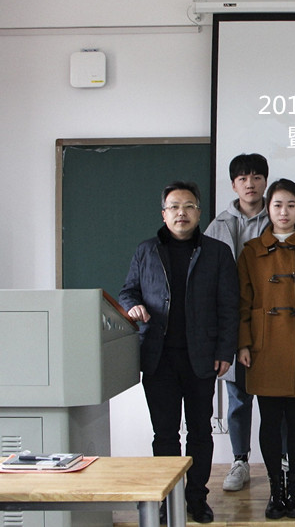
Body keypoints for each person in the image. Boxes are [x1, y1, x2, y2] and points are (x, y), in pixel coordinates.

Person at [119, 181, 238, 524]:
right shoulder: (146, 251)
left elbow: (230, 306)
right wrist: (133, 305)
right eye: (174, 207)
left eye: (188, 206)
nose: (181, 213)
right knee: (165, 434)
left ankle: (197, 498)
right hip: (158, 358)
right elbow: (127, 291)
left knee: (200, 431)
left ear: (199, 212)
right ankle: (167, 498)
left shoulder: (217, 252)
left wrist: (225, 351)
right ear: (164, 214)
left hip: (202, 356)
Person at [238, 178, 295, 519]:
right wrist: (243, 343)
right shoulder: (251, 251)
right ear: (268, 209)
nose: (284, 211)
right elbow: (242, 301)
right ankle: (275, 491)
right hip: (263, 347)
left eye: (291, 205)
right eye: (277, 205)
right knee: (268, 420)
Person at [204, 153, 270, 492]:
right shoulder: (218, 226)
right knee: (239, 399)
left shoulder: (278, 217)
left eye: (256, 177)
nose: (250, 183)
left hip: (271, 323)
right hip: (232, 322)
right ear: (233, 184)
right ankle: (240, 461)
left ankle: (281, 460)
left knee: (276, 398)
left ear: (265, 182)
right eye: (243, 178)